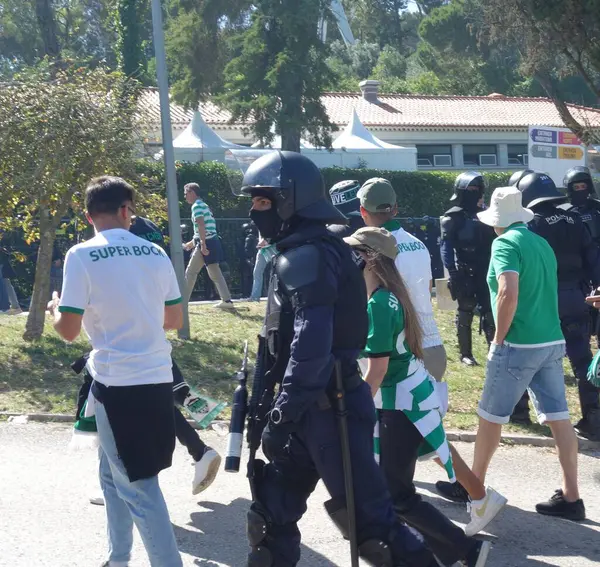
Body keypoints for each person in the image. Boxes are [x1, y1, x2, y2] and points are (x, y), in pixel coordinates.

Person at [240, 151, 437, 567]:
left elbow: (311, 348)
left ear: (289, 199)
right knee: (269, 519)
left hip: (330, 410)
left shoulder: (307, 256)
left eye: (262, 200)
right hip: (311, 409)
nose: (255, 210)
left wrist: (282, 415)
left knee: (374, 533)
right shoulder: (316, 249)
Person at [48, 176, 184, 566]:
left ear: (89, 216)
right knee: (112, 475)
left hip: (117, 382)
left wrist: (55, 311)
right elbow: (173, 319)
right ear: (127, 210)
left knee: (139, 487)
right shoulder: (156, 253)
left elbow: (69, 331)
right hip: (156, 377)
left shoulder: (81, 255)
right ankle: (118, 557)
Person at [355, 181, 507, 525]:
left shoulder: (369, 250)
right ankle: (472, 497)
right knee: (422, 431)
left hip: (399, 349)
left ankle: (467, 498)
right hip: (431, 343)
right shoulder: (419, 245)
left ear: (364, 212)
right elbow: (422, 292)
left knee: (413, 432)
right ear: (395, 208)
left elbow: (378, 302)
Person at [346, 227, 492, 566]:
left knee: (396, 494)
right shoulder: (386, 296)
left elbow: (377, 371)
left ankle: (466, 550)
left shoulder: (380, 304)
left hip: (403, 406)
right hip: (405, 401)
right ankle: (446, 551)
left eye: (353, 252)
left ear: (367, 258)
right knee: (391, 491)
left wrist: (357, 412)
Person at [472, 184, 585, 521]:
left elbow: (507, 292)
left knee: (490, 418)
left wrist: (498, 339)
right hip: (551, 340)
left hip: (518, 343)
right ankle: (572, 497)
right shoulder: (541, 243)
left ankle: (472, 486)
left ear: (498, 220)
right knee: (559, 419)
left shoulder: (504, 243)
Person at [514, 172, 600, 441]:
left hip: (544, 299)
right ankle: (594, 420)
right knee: (582, 359)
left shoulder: (532, 225)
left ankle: (521, 414)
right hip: (576, 296)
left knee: (528, 356)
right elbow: (592, 259)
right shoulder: (575, 219)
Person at [440, 172, 496, 366]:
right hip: (464, 270)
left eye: (477, 190)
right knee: (465, 312)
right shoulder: (453, 217)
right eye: (470, 190)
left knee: (490, 312)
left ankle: (493, 351)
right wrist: (452, 272)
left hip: (487, 270)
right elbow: (446, 247)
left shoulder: (487, 215)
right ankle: (466, 354)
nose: (474, 193)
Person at [561, 167, 600, 348]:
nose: (580, 190)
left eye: (583, 186)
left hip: (597, 261)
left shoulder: (597, 208)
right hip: (577, 265)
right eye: (575, 187)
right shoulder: (565, 212)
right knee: (581, 310)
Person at [183, 182, 234, 309]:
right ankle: (227, 301)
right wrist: (191, 243)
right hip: (213, 241)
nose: (185, 197)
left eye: (186, 194)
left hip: (206, 243)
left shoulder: (196, 206)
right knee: (215, 272)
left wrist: (203, 245)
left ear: (192, 193)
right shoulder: (204, 205)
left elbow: (201, 226)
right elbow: (207, 229)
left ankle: (182, 303)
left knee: (191, 272)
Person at [250, 232, 276, 301]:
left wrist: (265, 241)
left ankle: (277, 295)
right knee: (257, 273)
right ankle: (255, 297)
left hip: (274, 248)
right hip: (263, 250)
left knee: (277, 272)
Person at [0, 245, 21, 314]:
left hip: (2, 261)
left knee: (3, 284)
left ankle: (5, 308)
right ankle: (15, 307)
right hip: (3, 261)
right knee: (6, 284)